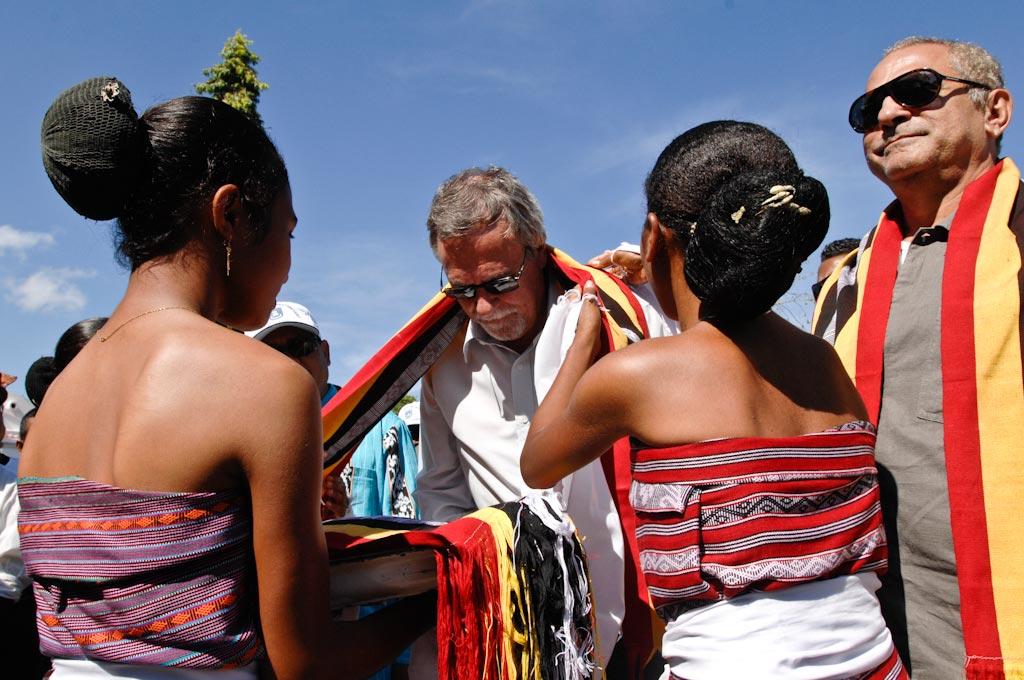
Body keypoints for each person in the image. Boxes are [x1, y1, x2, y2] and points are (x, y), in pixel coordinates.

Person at [18, 76, 433, 679]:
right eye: (288, 231)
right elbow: (308, 663)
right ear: (231, 213)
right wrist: (445, 590)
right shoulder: (266, 386)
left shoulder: (60, 397)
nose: (288, 266)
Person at [521, 121, 905, 678]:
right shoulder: (824, 363)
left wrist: (583, 342)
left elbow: (537, 464)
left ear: (652, 236)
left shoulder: (639, 374)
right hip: (876, 663)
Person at [415, 165, 675, 677]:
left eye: (501, 282)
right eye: (462, 289)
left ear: (537, 249)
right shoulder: (440, 361)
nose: (483, 306)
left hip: (637, 617)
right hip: (513, 630)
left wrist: (651, 276)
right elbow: (442, 490)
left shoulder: (614, 318)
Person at [812, 37, 1019, 679]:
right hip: (875, 631)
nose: (888, 114)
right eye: (868, 109)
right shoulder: (844, 284)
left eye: (918, 90)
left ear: (994, 111)